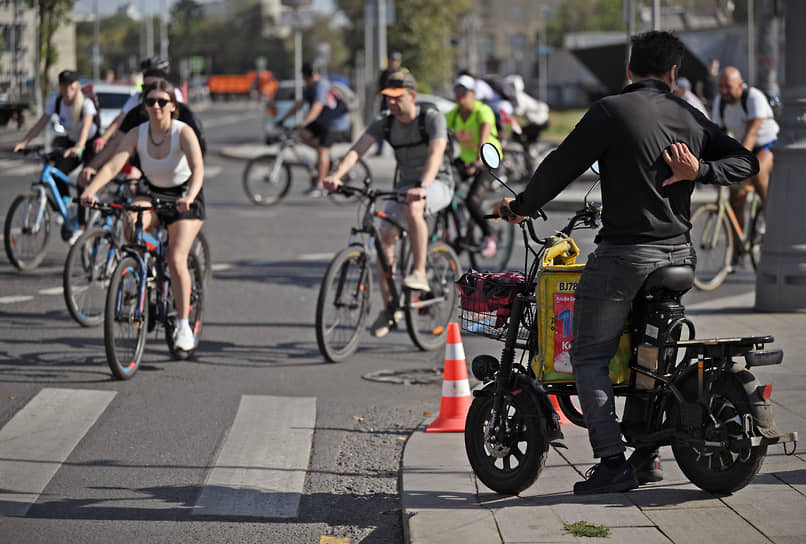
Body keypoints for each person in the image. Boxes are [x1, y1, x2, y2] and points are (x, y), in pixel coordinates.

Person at [493, 31, 758, 495]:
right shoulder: (690, 116)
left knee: (589, 354)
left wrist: (521, 204)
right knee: (648, 354)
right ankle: (647, 455)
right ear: (673, 73)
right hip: (680, 256)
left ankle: (613, 463)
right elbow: (747, 162)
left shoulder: (611, 112)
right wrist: (704, 172)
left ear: (630, 68)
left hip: (625, 256)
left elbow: (562, 164)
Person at [322, 71, 454, 337]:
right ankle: (391, 307)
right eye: (388, 98)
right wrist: (336, 175)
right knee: (385, 238)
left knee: (414, 206)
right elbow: (357, 150)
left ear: (412, 96)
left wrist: (423, 186)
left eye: (397, 98)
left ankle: (419, 272)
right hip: (404, 188)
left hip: (437, 183)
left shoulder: (430, 118)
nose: (391, 104)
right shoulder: (385, 121)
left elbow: (436, 152)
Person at [81, 79, 205, 352]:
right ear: (144, 106)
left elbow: (198, 168)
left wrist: (189, 197)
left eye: (162, 101)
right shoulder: (137, 133)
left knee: (175, 257)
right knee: (130, 219)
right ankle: (141, 272)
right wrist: (91, 190)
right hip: (153, 194)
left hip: (185, 198)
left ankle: (184, 325)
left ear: (173, 106)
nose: (156, 106)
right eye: (151, 102)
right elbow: (114, 164)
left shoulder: (182, 132)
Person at [14, 70, 102, 242]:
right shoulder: (57, 102)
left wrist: (80, 146)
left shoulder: (86, 103)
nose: (67, 88)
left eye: (71, 84)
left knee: (82, 181)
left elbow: (86, 126)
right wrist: (24, 142)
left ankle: (82, 226)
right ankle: (67, 204)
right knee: (57, 171)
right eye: (64, 84)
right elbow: (41, 123)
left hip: (89, 144)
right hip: (72, 142)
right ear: (60, 86)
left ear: (76, 86)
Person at [79, 68, 204, 187]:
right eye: (145, 88)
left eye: (162, 101)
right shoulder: (136, 114)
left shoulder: (184, 116)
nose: (155, 105)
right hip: (147, 180)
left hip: (179, 183)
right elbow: (116, 143)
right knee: (132, 189)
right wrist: (92, 166)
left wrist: (190, 193)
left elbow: (197, 163)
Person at [712, 66, 779, 237]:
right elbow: (716, 137)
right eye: (721, 87)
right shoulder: (720, 102)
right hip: (744, 147)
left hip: (767, 144)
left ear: (740, 85)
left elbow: (752, 133)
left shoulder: (754, 98)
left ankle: (768, 213)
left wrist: (733, 164)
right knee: (736, 196)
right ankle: (737, 245)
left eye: (728, 87)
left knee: (758, 172)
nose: (724, 91)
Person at [445, 74, 503, 258]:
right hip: (464, 161)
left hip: (487, 161)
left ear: (473, 93)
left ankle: (490, 234)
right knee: (445, 192)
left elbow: (483, 139)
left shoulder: (482, 111)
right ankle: (451, 234)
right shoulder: (452, 115)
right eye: (457, 90)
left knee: (472, 201)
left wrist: (478, 161)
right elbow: (439, 136)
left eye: (464, 90)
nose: (460, 94)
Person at [276, 62, 351, 198]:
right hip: (323, 121)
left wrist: (304, 123)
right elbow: (299, 104)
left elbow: (316, 108)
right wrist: (284, 119)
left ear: (306, 75)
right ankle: (323, 160)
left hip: (335, 123)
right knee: (300, 133)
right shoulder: (310, 86)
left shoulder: (321, 86)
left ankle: (320, 185)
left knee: (323, 149)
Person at [375, 51, 404, 156]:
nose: (393, 62)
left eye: (395, 60)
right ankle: (379, 149)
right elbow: (378, 87)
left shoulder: (402, 73)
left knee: (398, 126)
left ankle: (398, 149)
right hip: (385, 103)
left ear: (399, 62)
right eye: (391, 60)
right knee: (382, 126)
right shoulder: (384, 73)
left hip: (398, 103)